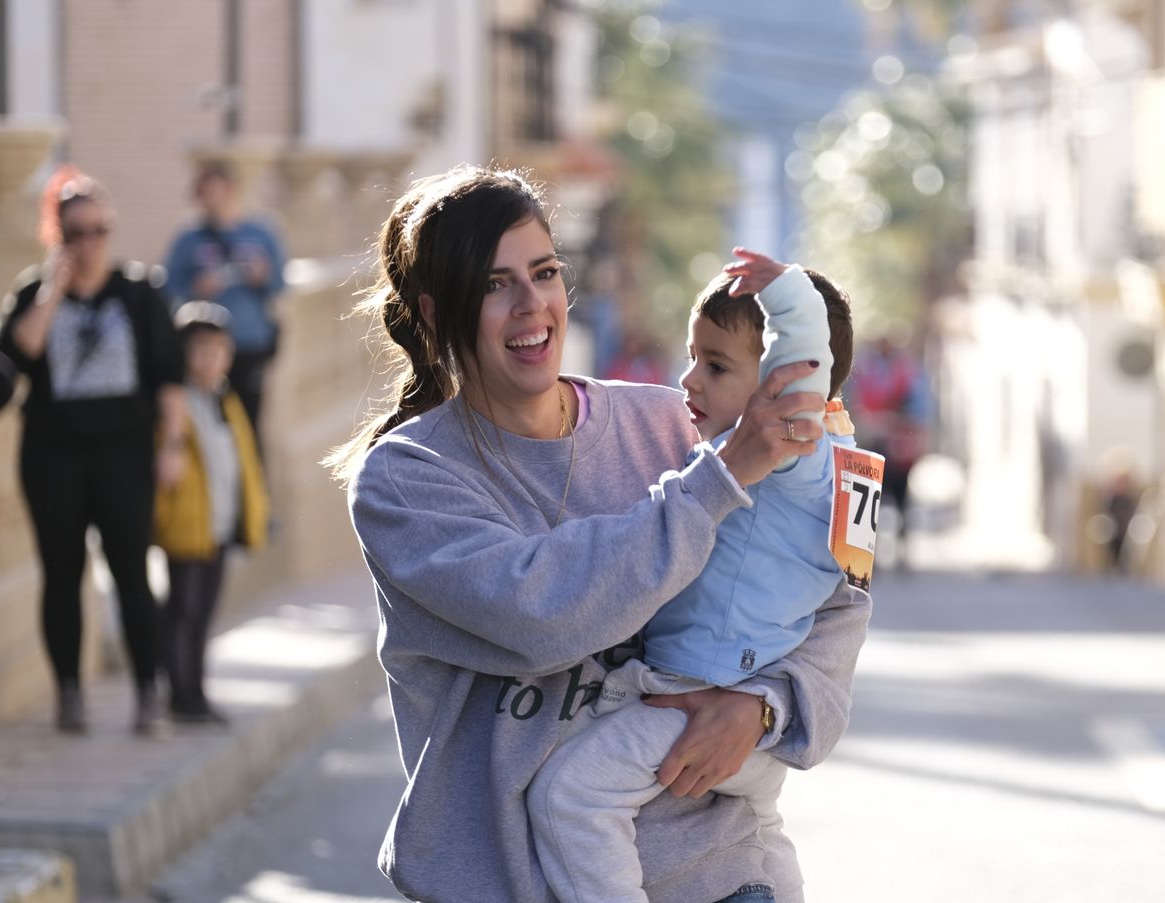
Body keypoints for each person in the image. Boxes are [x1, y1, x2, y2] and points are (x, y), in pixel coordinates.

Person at [326, 165, 870, 903]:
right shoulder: (406, 478)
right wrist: (720, 477)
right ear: (433, 312)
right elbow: (542, 613)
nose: (531, 305)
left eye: (544, 272)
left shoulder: (681, 421)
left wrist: (763, 705)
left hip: (722, 877)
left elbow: (840, 595)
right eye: (494, 284)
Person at [528, 249, 857, 903]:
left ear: (786, 386)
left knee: (570, 794)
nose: (689, 380)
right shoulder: (805, 463)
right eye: (692, 356)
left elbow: (805, 361)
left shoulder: (795, 446)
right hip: (740, 722)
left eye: (716, 365)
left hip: (695, 700)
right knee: (766, 829)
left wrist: (788, 295)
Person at [0, 165, 187, 734]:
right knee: (61, 573)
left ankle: (147, 692)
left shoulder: (139, 292)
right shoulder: (34, 291)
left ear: (110, 229)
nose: (87, 243)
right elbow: (19, 352)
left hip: (125, 454)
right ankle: (69, 694)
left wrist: (171, 444)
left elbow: (168, 377)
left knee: (131, 571)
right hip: (53, 456)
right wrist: (55, 289)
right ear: (56, 233)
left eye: (96, 230)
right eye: (74, 232)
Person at [153, 301, 270, 723]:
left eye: (219, 350)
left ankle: (196, 692)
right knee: (182, 610)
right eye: (200, 350)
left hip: (219, 525)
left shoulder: (226, 399)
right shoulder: (174, 404)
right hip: (187, 526)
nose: (211, 359)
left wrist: (252, 514)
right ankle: (178, 694)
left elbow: (244, 462)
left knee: (203, 613)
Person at [162, 161, 286, 439]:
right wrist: (196, 289)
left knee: (248, 427)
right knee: (207, 428)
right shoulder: (189, 239)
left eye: (215, 191)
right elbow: (169, 289)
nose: (210, 200)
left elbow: (280, 285)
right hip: (203, 350)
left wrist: (261, 276)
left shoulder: (261, 233)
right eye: (204, 193)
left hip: (248, 346)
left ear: (231, 191)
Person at [849, 330, 932, 559]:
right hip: (873, 442)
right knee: (868, 501)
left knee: (900, 498)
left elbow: (919, 408)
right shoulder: (868, 370)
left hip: (897, 445)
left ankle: (900, 551)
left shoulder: (906, 372)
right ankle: (865, 553)